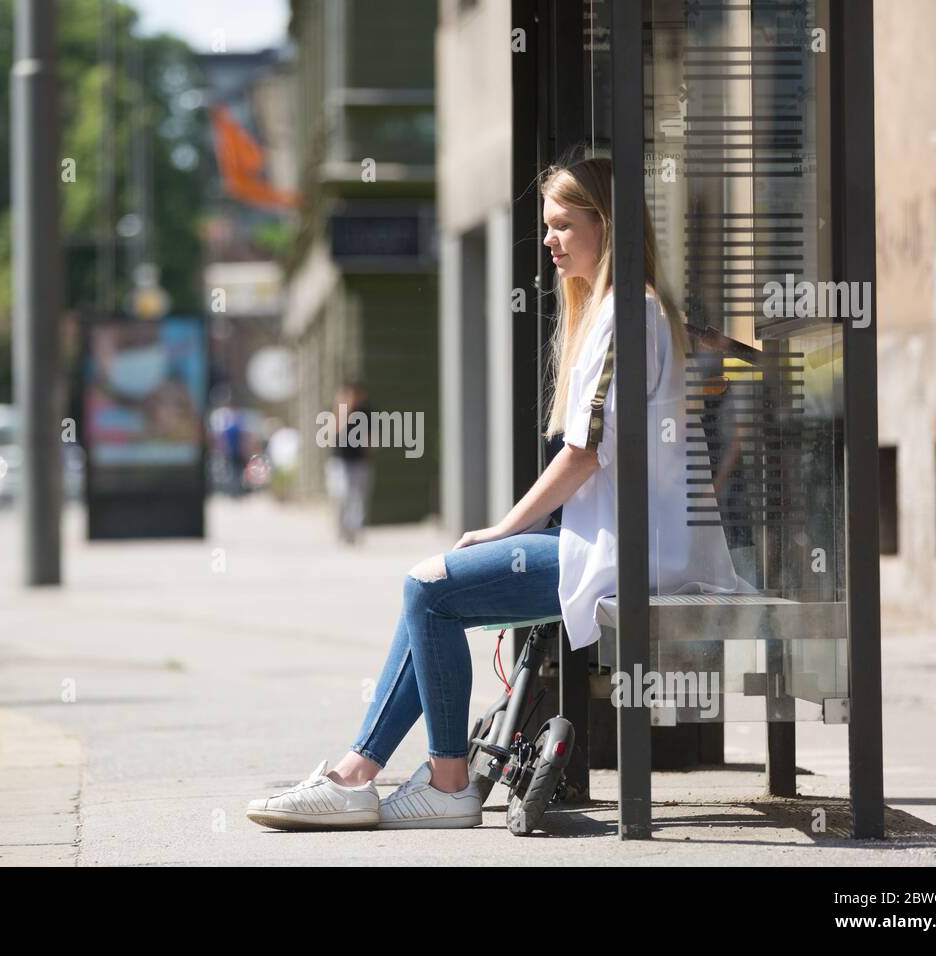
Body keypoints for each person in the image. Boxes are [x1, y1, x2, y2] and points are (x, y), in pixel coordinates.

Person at [247, 155, 748, 832]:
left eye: (565, 226)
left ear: (609, 227)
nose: (550, 241)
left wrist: (503, 529)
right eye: (548, 226)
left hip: (629, 557)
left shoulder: (626, 312)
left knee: (429, 589)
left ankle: (446, 782)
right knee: (428, 586)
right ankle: (357, 774)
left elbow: (583, 453)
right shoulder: (628, 309)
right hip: (619, 544)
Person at [323, 381, 375, 544]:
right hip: (339, 462)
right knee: (340, 496)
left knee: (358, 498)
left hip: (360, 462)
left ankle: (355, 531)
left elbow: (372, 440)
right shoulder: (336, 412)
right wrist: (343, 412)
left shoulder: (367, 413)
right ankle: (342, 530)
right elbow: (330, 433)